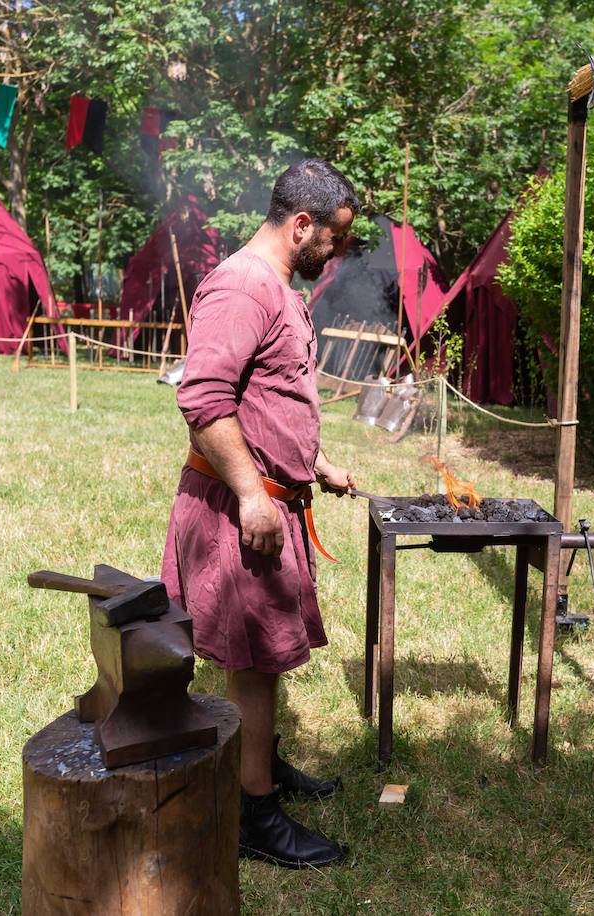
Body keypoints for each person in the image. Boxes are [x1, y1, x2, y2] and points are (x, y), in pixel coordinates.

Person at [162, 158, 358, 869]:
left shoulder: (276, 288)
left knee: (261, 661)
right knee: (251, 661)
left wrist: (316, 465)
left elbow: (270, 398)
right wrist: (252, 493)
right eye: (332, 239)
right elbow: (204, 399)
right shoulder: (243, 287)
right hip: (238, 506)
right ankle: (253, 815)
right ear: (300, 224)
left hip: (269, 495)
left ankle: (263, 771)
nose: (335, 254)